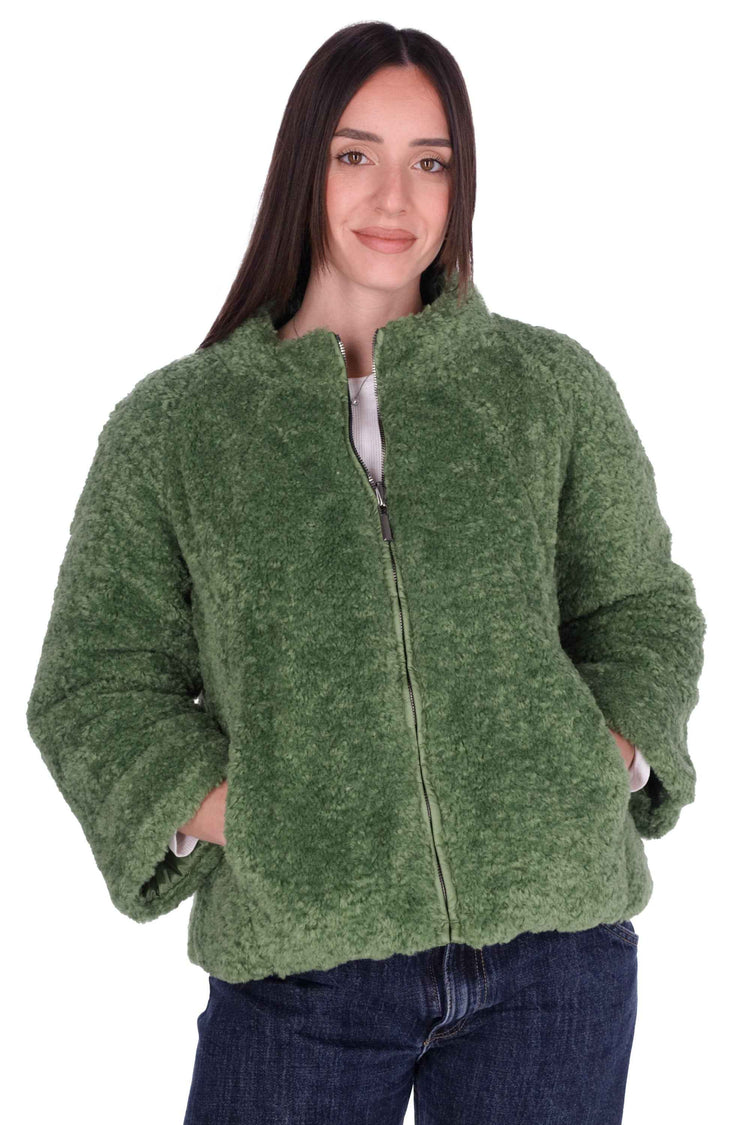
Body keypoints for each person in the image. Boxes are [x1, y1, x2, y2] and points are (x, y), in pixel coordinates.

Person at [26, 21, 705, 1125]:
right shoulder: (180, 427)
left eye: (431, 161)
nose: (395, 197)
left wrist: (605, 754)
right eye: (356, 155)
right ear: (306, 166)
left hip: (555, 957)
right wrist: (257, 817)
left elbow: (639, 608)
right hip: (303, 965)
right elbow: (96, 683)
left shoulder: (547, 388)